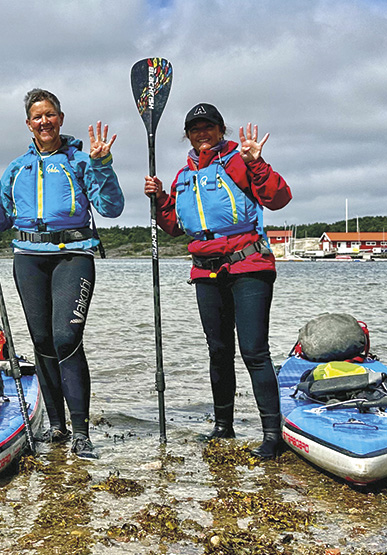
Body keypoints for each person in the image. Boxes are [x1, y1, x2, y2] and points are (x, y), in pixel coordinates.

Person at [0, 88, 122, 461]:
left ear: (60, 119)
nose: (44, 121)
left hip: (73, 256)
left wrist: (102, 164)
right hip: (28, 259)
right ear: (28, 124)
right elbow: (1, 221)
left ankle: (81, 432)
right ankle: (56, 425)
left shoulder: (81, 161)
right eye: (37, 116)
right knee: (42, 342)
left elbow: (112, 207)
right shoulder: (16, 168)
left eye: (50, 114)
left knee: (66, 337)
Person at [143, 102, 292, 459]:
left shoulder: (239, 162)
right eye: (195, 129)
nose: (202, 134)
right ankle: (223, 426)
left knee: (254, 351)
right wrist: (160, 198)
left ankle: (273, 435)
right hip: (206, 270)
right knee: (218, 350)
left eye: (208, 127)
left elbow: (279, 198)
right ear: (188, 136)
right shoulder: (184, 175)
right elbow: (175, 226)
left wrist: (256, 161)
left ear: (220, 130)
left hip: (249, 265)